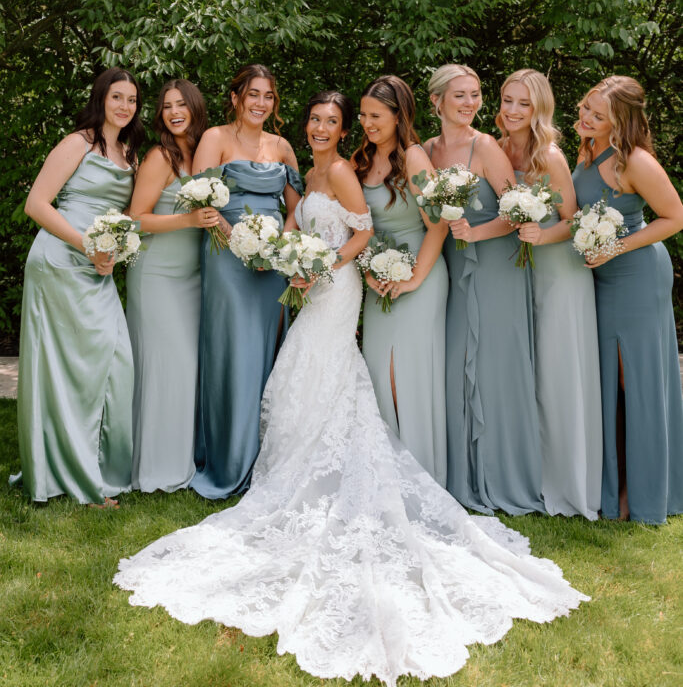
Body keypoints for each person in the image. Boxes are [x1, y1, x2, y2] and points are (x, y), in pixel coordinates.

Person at [115, 89, 588, 687]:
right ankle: (300, 461)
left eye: (340, 120)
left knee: (324, 365)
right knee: (303, 372)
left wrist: (325, 266)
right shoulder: (326, 168)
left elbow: (362, 231)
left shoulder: (341, 168)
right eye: (320, 119)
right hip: (319, 281)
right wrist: (285, 249)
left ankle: (341, 466)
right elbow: (298, 217)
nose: (326, 128)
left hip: (338, 287)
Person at [12, 68, 143, 506]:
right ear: (101, 98)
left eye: (132, 100)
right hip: (58, 260)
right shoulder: (78, 143)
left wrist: (111, 252)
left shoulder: (131, 155)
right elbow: (36, 203)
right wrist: (86, 244)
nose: (125, 106)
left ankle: (99, 466)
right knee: (65, 370)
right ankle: (78, 480)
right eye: (117, 97)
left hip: (96, 265)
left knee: (115, 362)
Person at [424, 63, 544, 515]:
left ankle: (504, 476)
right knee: (459, 364)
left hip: (495, 267)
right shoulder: (426, 151)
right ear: (437, 101)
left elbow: (518, 211)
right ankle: (463, 473)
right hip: (453, 270)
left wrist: (474, 233)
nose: (471, 103)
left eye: (475, 94)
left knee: (495, 366)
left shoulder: (486, 145)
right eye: (460, 95)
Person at [573, 75, 683, 524]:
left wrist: (615, 246)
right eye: (585, 108)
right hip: (601, 278)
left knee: (632, 379)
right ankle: (615, 484)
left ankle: (638, 491)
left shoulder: (634, 161)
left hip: (636, 274)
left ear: (621, 119)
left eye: (599, 115)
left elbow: (674, 217)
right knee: (609, 379)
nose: (587, 118)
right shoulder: (585, 149)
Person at [189, 63, 302, 499]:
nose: (260, 103)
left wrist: (276, 247)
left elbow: (295, 209)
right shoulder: (215, 139)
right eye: (252, 94)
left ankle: (267, 459)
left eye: (268, 96)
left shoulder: (282, 146)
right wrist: (240, 242)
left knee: (267, 354)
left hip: (270, 263)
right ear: (236, 97)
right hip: (226, 254)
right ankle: (229, 458)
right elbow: (200, 201)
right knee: (234, 352)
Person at [497, 69, 602, 519]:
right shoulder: (497, 148)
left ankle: (567, 483)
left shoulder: (550, 155)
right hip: (519, 272)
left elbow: (574, 220)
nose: (513, 111)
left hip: (559, 272)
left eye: (523, 103)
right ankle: (530, 475)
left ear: (539, 108)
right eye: (507, 100)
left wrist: (542, 237)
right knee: (529, 374)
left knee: (559, 373)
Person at [354, 75, 449, 486]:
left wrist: (412, 280)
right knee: (379, 373)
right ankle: (384, 478)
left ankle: (420, 477)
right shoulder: (360, 160)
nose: (367, 123)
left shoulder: (414, 159)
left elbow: (439, 225)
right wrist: (370, 268)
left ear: (398, 115)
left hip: (420, 277)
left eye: (376, 116)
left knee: (406, 376)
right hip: (379, 278)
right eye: (363, 115)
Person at [126, 79, 219, 493]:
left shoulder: (200, 155)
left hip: (192, 277)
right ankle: (157, 468)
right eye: (167, 106)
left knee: (187, 368)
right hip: (157, 274)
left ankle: (184, 457)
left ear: (196, 108)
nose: (174, 111)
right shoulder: (160, 156)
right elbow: (136, 218)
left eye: (182, 104)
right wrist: (187, 220)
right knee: (168, 366)